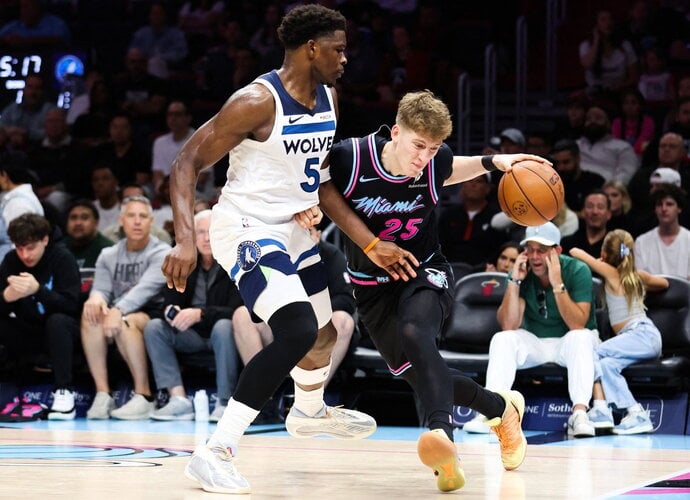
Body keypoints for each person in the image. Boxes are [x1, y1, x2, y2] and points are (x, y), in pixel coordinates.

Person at [160, 5, 371, 495]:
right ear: (311, 48)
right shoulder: (256, 101)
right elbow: (186, 163)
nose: (345, 59)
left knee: (322, 337)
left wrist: (322, 212)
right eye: (338, 49)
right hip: (247, 228)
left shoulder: (329, 97)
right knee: (297, 329)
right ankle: (216, 452)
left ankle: (309, 411)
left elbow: (316, 176)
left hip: (295, 228)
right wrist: (186, 240)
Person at [319, 90, 533, 492]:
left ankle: (443, 437)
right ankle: (501, 409)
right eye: (418, 146)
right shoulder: (351, 157)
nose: (424, 158)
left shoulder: (436, 162)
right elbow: (312, 183)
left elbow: (454, 166)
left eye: (432, 149)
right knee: (422, 376)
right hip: (371, 287)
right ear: (395, 133)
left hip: (424, 270)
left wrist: (493, 162)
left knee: (416, 333)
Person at [463, 222, 600, 438]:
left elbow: (577, 323)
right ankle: (490, 412)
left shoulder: (577, 270)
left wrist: (557, 283)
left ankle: (580, 414)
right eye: (530, 249)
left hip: (569, 341)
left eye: (541, 250)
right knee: (502, 339)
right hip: (537, 342)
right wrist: (514, 282)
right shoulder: (521, 272)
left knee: (581, 337)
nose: (534, 257)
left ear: (557, 251)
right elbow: (508, 325)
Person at [144, 209, 243, 422]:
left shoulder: (235, 262)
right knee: (154, 327)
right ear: (192, 237)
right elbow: (167, 300)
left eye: (211, 232)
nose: (206, 238)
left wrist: (201, 313)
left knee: (224, 326)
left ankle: (225, 401)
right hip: (190, 334)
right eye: (200, 232)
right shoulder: (182, 262)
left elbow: (238, 310)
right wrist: (171, 312)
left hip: (224, 335)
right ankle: (178, 399)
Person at [232, 222, 357, 388]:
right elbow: (252, 296)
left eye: (307, 233)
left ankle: (313, 394)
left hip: (319, 327)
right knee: (242, 315)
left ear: (318, 235)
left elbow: (347, 299)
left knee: (342, 319)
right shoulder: (272, 255)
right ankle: (262, 392)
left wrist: (308, 313)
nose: (301, 238)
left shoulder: (331, 255)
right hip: (282, 325)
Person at [570, 229, 668, 435]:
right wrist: (640, 283)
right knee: (607, 365)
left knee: (590, 353)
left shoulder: (611, 273)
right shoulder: (638, 276)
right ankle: (635, 413)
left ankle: (601, 408)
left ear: (605, 254)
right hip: (646, 336)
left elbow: (575, 252)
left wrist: (599, 261)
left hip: (639, 334)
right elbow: (665, 283)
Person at [81, 195, 170, 420]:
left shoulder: (162, 252)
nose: (137, 221)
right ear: (121, 220)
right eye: (131, 216)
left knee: (126, 322)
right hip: (117, 311)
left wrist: (117, 310)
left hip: (153, 313)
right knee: (90, 315)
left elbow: (145, 290)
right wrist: (95, 299)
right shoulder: (108, 254)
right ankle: (103, 393)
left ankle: (144, 396)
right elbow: (101, 289)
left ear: (151, 221)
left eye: (143, 216)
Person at [0, 213, 81, 419]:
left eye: (30, 248)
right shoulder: (11, 261)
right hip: (30, 331)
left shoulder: (62, 258)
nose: (25, 255)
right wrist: (6, 297)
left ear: (44, 240)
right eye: (20, 248)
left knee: (57, 321)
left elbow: (72, 306)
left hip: (66, 333)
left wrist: (38, 290)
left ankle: (64, 392)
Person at [437, 173, 507, 266]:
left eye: (479, 181)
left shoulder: (496, 217)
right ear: (462, 185)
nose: (473, 184)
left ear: (488, 188)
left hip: (484, 270)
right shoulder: (449, 214)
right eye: (470, 180)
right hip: (448, 267)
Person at [634, 184, 690, 280]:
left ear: (679, 208)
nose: (664, 209)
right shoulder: (641, 242)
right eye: (659, 204)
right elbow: (640, 280)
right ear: (655, 209)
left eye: (669, 204)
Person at [577, 105, 639, 185]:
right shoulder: (576, 145)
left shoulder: (623, 147)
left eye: (598, 118)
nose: (592, 121)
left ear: (609, 124)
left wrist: (611, 189)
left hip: (605, 188)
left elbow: (627, 173)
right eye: (588, 119)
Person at [551, 139, 605, 214]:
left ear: (577, 159)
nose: (561, 167)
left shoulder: (595, 182)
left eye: (566, 162)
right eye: (558, 163)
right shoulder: (553, 184)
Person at [561, 189, 612, 259]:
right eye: (590, 206)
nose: (595, 212)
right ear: (583, 212)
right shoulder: (567, 243)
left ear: (609, 214)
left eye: (600, 207)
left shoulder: (617, 245)